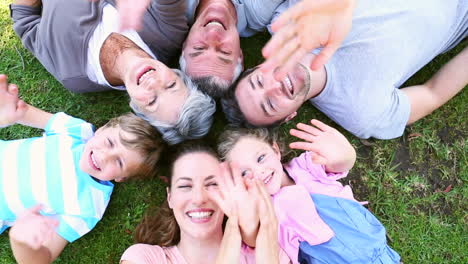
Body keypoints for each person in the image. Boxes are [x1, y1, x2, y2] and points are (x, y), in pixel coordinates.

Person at [222, 0, 468, 140]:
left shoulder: (285, 19)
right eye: (270, 105)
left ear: (258, 65)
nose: (274, 87)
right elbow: (432, 93)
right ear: (289, 116)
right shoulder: (361, 112)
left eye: (259, 82)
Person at [0, 74, 165, 264]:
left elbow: (41, 259)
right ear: (101, 129)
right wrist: (10, 111)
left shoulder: (89, 205)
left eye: (119, 162)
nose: (104, 156)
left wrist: (23, 244)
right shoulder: (77, 131)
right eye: (110, 142)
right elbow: (25, 113)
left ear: (121, 178)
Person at [10, 0, 216, 144]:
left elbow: (25, 20)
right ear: (177, 73)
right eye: (171, 85)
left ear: (136, 107)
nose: (154, 84)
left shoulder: (74, 75)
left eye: (152, 101)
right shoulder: (167, 33)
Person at [217, 119, 401, 263]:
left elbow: (339, 164)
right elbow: (254, 241)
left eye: (261, 158)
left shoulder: (305, 167)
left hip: (375, 248)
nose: (259, 172)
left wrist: (345, 154)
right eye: (244, 173)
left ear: (275, 150)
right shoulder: (261, 212)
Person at [120, 142, 290, 263]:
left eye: (212, 184)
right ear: (170, 197)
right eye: (185, 186)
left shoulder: (269, 251)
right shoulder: (144, 258)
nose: (199, 199)